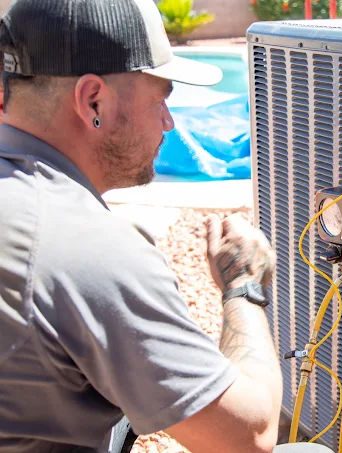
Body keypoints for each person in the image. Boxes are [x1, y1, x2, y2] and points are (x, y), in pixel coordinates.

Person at [0, 0, 283, 452]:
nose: (169, 123)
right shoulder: (86, 245)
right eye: (162, 100)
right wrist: (243, 286)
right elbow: (249, 436)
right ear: (93, 100)